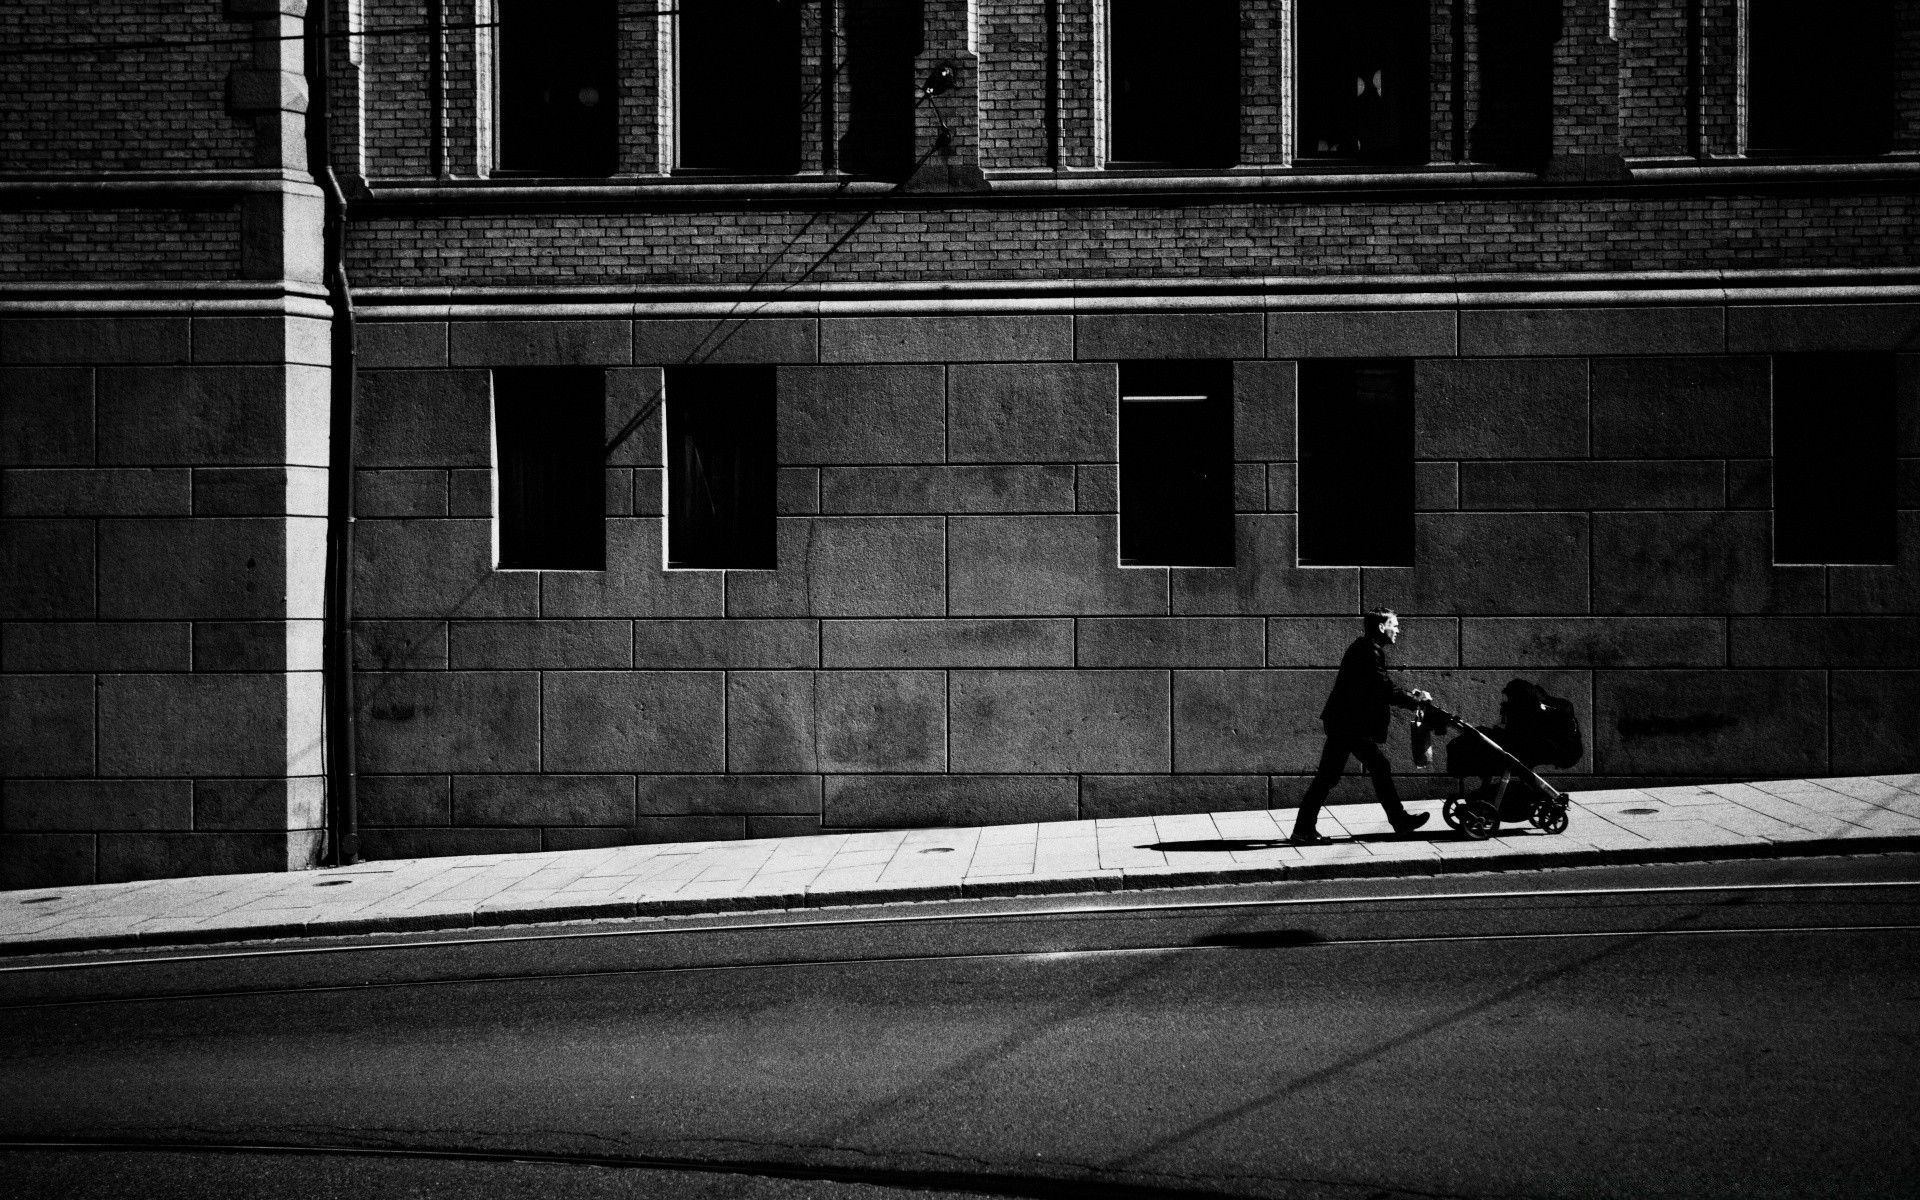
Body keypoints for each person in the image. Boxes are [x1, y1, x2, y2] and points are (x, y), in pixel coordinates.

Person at [1289, 609, 1433, 845]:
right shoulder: (1368, 650)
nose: (1398, 630)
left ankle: (1303, 829)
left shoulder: (1366, 648)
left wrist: (1409, 696)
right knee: (1373, 768)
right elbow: (1384, 688)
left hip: (1345, 723)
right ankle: (1399, 821)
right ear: (1380, 627)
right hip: (1349, 725)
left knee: (1330, 776)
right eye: (1394, 625)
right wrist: (1415, 700)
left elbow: (1379, 686)